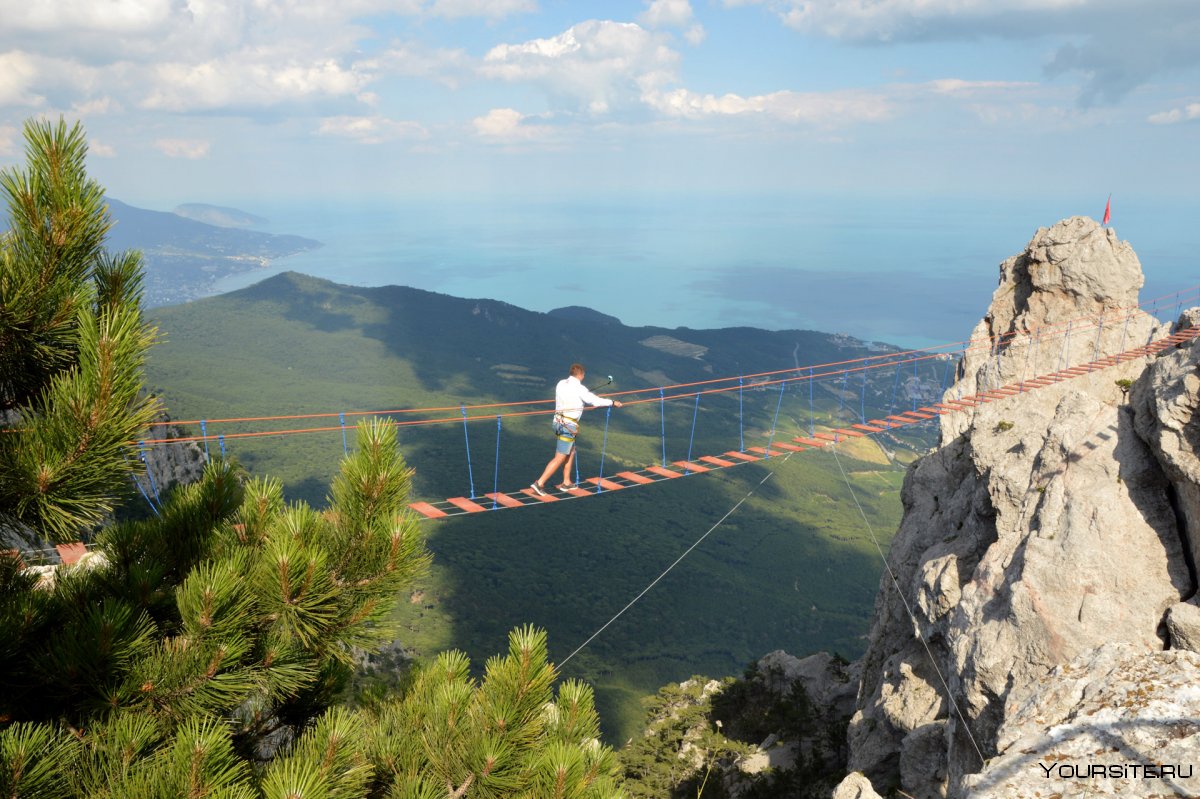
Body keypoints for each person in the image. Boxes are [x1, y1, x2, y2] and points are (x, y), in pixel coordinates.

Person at [530, 363, 622, 495]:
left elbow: (573, 399)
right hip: (568, 426)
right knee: (560, 457)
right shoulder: (580, 389)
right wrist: (612, 402)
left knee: (571, 451)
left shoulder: (561, 383)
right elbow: (595, 401)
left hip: (557, 422)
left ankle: (566, 482)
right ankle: (539, 483)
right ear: (581, 375)